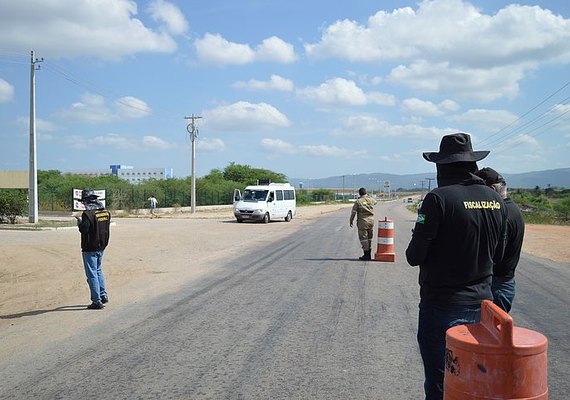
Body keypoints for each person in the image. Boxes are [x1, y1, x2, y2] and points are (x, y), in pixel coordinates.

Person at [405, 133, 506, 400]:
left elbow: (414, 256)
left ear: (442, 166)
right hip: (484, 306)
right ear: (471, 164)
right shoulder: (495, 200)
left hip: (442, 305)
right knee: (473, 381)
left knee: (440, 381)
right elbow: (501, 253)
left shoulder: (437, 199)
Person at [475, 167, 525, 313]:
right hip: (502, 282)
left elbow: (495, 253)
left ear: (491, 189)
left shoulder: (503, 214)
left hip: (497, 284)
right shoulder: (511, 209)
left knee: (489, 334)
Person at [76, 189, 111, 310]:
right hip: (101, 246)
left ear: (87, 201)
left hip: (90, 247)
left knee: (92, 274)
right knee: (98, 271)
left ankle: (96, 301)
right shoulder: (105, 212)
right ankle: (103, 295)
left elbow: (84, 229)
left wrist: (80, 223)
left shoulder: (87, 214)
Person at [349, 187, 377, 260]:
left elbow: (353, 213)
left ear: (359, 193)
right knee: (369, 238)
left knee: (364, 238)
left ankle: (366, 255)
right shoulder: (371, 199)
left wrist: (351, 220)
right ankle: (369, 254)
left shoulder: (358, 201)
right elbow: (375, 202)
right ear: (366, 192)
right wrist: (368, 198)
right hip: (371, 221)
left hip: (363, 222)